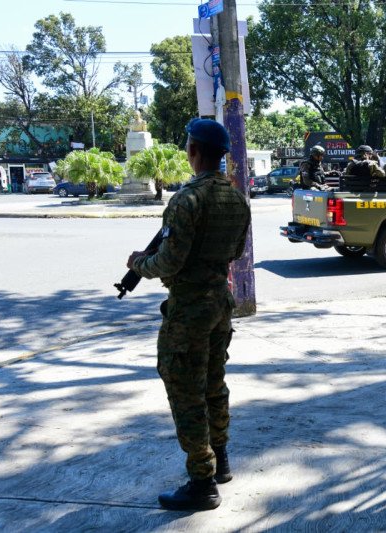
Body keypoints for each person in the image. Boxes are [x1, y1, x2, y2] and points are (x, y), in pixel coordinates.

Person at [127, 118, 251, 511]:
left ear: (193, 150)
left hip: (191, 309)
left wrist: (140, 264)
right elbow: (234, 253)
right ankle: (221, 461)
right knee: (214, 383)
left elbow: (170, 262)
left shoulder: (186, 199)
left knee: (184, 390)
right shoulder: (237, 199)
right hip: (220, 304)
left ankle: (202, 482)